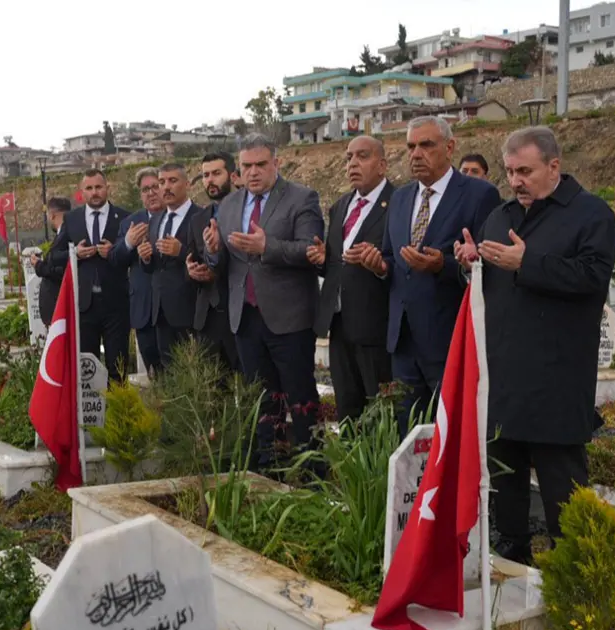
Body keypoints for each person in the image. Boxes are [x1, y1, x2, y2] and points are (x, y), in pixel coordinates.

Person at [455, 125, 615, 563]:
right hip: (504, 379)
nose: (515, 181)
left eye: (524, 171)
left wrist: (528, 262)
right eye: (509, 172)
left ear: (554, 166)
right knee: (503, 487)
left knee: (562, 495)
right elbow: (489, 287)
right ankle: (510, 568)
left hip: (556, 382)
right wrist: (470, 263)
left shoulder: (591, 214)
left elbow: (591, 278)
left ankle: (574, 577)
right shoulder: (501, 216)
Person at [359, 116, 500, 432]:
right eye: (411, 146)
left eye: (426, 145)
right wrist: (379, 266)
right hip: (403, 340)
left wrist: (443, 266)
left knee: (451, 433)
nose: (416, 154)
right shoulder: (400, 198)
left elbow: (490, 265)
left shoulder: (479, 196)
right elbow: (390, 258)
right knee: (406, 431)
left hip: (449, 338)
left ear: (449, 148)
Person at [211, 133, 324, 467]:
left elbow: (310, 249)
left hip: (289, 319)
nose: (254, 172)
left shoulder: (302, 198)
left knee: (301, 400)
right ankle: (269, 472)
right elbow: (225, 262)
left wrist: (267, 247)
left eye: (261, 164)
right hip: (245, 319)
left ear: (277, 163)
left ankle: (312, 472)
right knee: (262, 401)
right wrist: (212, 250)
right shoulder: (229, 205)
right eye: (247, 166)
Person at [309, 135, 393, 423]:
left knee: (380, 412)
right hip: (339, 323)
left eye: (363, 156)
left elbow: (396, 263)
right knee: (348, 408)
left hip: (375, 326)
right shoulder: (341, 206)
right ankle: (350, 468)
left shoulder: (397, 203)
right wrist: (323, 260)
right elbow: (337, 263)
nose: (353, 163)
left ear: (382, 165)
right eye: (349, 157)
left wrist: (379, 266)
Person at [52, 169, 131, 382]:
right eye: (89, 188)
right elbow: (53, 256)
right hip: (85, 305)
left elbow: (133, 256)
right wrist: (74, 253)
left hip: (116, 304)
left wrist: (115, 251)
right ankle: (92, 415)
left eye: (98, 187)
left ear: (107, 188)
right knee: (88, 367)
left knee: (118, 366)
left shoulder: (124, 217)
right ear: (81, 192)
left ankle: (117, 412)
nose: (94, 192)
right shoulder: (72, 219)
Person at [187, 152, 242, 374]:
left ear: (233, 175)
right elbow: (191, 259)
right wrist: (191, 271)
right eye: (205, 175)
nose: (210, 180)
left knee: (253, 390)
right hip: (208, 319)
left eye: (216, 173)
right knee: (213, 395)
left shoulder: (247, 211)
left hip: (241, 315)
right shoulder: (198, 219)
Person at [143, 162, 201, 368]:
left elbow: (209, 261)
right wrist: (146, 258)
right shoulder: (156, 220)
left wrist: (181, 252)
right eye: (161, 182)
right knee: (167, 372)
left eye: (172, 181)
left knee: (194, 370)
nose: (166, 187)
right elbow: (154, 269)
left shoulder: (201, 216)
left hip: (191, 309)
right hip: (161, 311)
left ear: (187, 184)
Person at [111, 168, 164, 373]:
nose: (151, 193)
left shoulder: (177, 216)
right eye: (145, 189)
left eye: (155, 186)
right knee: (154, 371)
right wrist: (128, 242)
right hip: (144, 309)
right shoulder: (131, 223)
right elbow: (115, 259)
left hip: (174, 309)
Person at [33, 196, 71, 325]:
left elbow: (61, 271)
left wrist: (38, 265)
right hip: (56, 307)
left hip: (60, 306)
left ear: (52, 215)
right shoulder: (63, 233)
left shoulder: (67, 234)